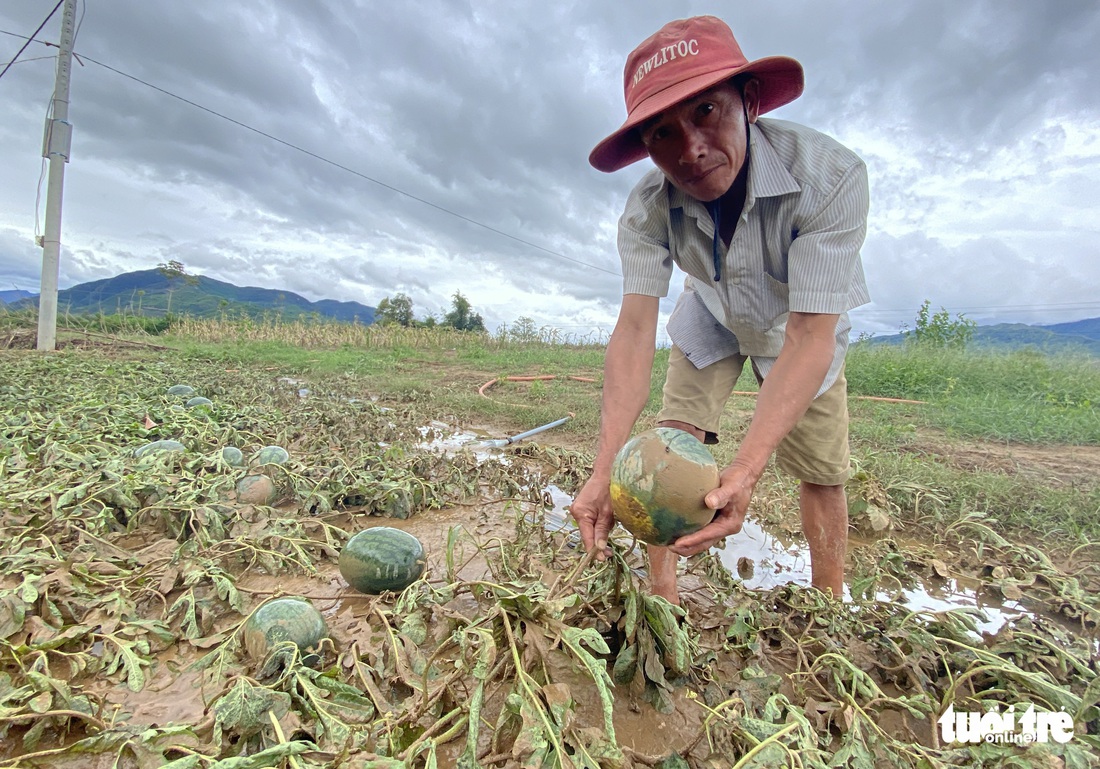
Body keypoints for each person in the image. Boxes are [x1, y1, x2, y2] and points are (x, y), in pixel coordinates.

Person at [571, 15, 870, 603]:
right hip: (709, 308)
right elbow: (633, 330)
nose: (691, 151)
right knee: (668, 446)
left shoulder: (829, 179)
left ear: (749, 101)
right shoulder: (648, 210)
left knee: (822, 471)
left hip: (799, 322)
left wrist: (748, 465)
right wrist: (606, 467)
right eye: (662, 133)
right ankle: (664, 596)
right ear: (645, 146)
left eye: (706, 111)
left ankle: (831, 603)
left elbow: (811, 336)